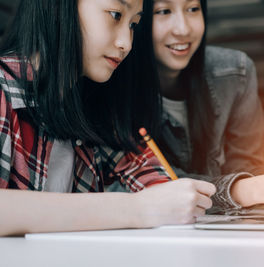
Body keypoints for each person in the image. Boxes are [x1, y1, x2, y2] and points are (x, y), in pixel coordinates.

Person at [0, 0, 216, 237]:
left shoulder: (96, 104)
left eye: (134, 24)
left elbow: (165, 189)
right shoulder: (4, 90)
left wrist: (233, 192)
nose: (126, 43)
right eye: (115, 15)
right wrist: (139, 209)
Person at [141, 0, 264, 213]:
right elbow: (143, 183)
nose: (183, 29)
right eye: (164, 11)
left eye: (193, 9)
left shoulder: (236, 72)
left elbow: (245, 169)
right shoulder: (115, 83)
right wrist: (244, 190)